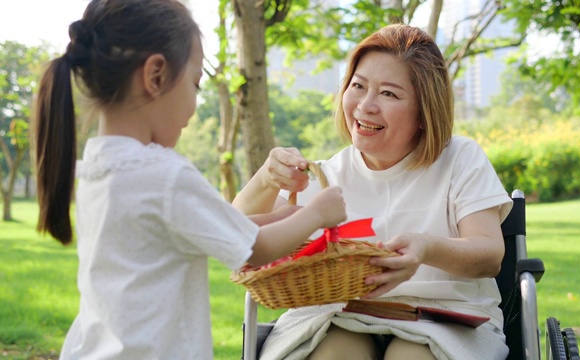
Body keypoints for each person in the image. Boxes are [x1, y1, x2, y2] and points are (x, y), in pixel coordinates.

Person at [32, 0, 346, 358]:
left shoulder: (96, 169)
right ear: (156, 76)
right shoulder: (164, 174)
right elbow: (254, 250)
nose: (195, 105)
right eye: (195, 84)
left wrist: (282, 217)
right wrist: (317, 213)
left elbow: (209, 227)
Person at [232, 23, 513, 360]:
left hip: (445, 315)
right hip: (340, 314)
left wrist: (426, 247)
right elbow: (237, 235)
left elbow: (489, 255)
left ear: (425, 111)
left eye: (389, 93)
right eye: (358, 86)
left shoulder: (459, 159)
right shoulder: (325, 177)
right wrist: (266, 178)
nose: (366, 105)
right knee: (337, 355)